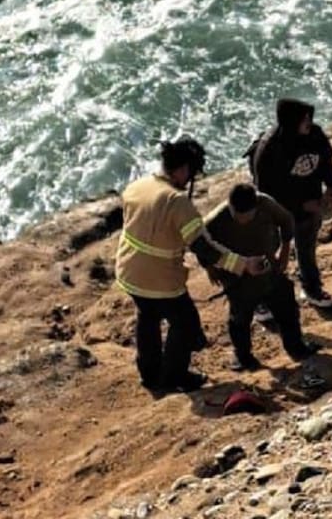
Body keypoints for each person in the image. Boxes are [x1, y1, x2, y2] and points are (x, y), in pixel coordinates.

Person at [115, 135, 268, 393]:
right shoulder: (177, 203)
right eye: (192, 173)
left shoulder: (137, 187)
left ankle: (150, 375)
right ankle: (174, 378)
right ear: (184, 168)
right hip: (160, 280)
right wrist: (243, 264)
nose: (190, 180)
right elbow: (204, 248)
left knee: (147, 317)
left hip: (129, 272)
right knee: (185, 324)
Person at [203, 183, 320, 372]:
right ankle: (243, 357)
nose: (242, 221)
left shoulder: (266, 203)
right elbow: (202, 245)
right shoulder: (215, 220)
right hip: (237, 276)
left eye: (247, 217)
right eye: (237, 216)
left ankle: (296, 347)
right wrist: (210, 268)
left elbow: (287, 220)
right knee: (240, 318)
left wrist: (284, 250)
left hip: (268, 267)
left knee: (287, 307)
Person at [247, 98, 332, 308]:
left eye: (309, 116)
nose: (309, 121)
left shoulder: (315, 135)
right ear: (291, 122)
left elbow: (326, 162)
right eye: (303, 119)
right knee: (269, 254)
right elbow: (266, 193)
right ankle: (262, 302)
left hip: (309, 210)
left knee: (306, 250)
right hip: (277, 215)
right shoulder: (269, 150)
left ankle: (312, 290)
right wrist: (301, 205)